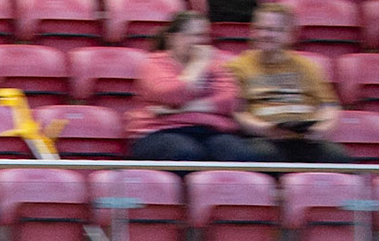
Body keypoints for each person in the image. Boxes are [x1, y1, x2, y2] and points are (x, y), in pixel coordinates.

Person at [128, 11, 265, 162]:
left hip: (211, 132)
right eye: (193, 35)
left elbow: (229, 101)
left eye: (203, 36)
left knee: (242, 155)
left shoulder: (216, 64)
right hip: (160, 131)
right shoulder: (154, 63)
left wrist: (180, 109)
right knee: (187, 153)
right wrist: (198, 64)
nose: (200, 42)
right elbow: (175, 94)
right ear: (172, 38)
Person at [230, 2, 350, 163]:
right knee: (264, 156)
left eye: (273, 30)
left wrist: (322, 128)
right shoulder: (238, 66)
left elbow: (329, 107)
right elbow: (238, 112)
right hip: (266, 139)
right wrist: (265, 129)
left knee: (337, 157)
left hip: (306, 139)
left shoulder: (307, 66)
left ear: (289, 35)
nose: (265, 35)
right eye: (260, 28)